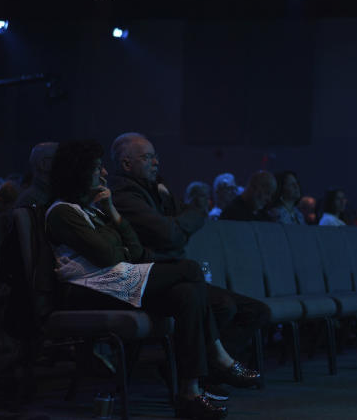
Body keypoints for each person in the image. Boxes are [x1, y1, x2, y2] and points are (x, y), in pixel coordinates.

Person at [45, 140, 259, 419]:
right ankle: (218, 356)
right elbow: (109, 256)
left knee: (187, 294)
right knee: (190, 270)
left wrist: (112, 212)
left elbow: (133, 250)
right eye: (97, 168)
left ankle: (189, 392)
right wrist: (117, 245)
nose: (104, 174)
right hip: (86, 289)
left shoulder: (96, 210)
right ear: (78, 172)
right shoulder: (62, 212)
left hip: (115, 280)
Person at [108, 132, 268, 378]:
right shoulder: (122, 196)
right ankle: (201, 374)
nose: (156, 162)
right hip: (148, 281)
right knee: (222, 306)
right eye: (147, 157)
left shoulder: (158, 191)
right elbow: (169, 235)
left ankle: (207, 370)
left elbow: (195, 214)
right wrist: (174, 231)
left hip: (176, 273)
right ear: (127, 164)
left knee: (256, 311)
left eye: (155, 156)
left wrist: (174, 228)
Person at [15, 142, 58, 212]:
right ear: (44, 164)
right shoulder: (30, 200)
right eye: (59, 158)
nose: (65, 163)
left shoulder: (47, 195)